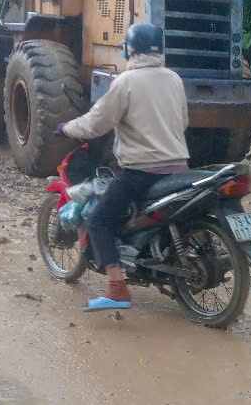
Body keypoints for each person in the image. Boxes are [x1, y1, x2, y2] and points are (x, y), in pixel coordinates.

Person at [58, 23, 189, 311]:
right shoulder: (174, 79)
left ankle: (117, 289)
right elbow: (183, 121)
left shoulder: (126, 81)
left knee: (99, 221)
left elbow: (96, 122)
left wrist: (67, 128)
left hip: (141, 171)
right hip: (179, 166)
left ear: (130, 49)